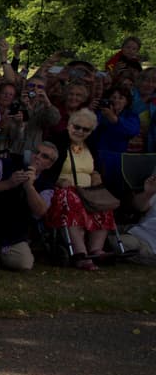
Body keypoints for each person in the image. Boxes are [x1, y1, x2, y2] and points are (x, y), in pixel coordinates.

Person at [46, 108, 116, 271]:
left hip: (87, 191)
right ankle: (80, 254)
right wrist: (58, 180)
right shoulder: (57, 142)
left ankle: (96, 249)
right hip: (61, 191)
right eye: (76, 127)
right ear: (69, 125)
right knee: (72, 200)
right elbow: (46, 170)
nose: (80, 131)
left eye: (86, 129)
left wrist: (97, 175)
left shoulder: (90, 145)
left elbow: (95, 168)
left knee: (103, 204)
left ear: (91, 131)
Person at [0, 141, 57, 271]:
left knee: (24, 264)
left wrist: (29, 187)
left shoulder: (46, 185)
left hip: (12, 238)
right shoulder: (4, 164)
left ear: (49, 165)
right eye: (36, 152)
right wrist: (8, 183)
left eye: (44, 156)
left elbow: (41, 212)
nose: (37, 157)